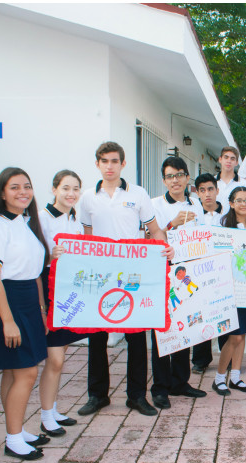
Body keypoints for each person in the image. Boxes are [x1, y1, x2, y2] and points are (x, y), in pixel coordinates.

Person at [77, 141, 172, 417]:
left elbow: (155, 231)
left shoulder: (138, 194)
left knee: (135, 336)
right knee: (97, 336)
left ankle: (137, 396)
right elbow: (86, 237)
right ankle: (97, 395)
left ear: (123, 164)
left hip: (133, 274)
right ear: (97, 164)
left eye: (114, 161)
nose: (109, 166)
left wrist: (165, 248)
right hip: (99, 274)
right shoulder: (87, 198)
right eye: (104, 161)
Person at [0, 167, 51, 460]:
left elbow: (34, 273)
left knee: (15, 370)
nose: (22, 192)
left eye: (27, 186)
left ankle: (17, 429)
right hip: (5, 302)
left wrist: (41, 310)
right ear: (2, 193)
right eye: (14, 187)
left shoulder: (26, 223)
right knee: (27, 372)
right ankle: (12, 439)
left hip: (28, 302)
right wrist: (8, 321)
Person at [148, 157, 207, 410]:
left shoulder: (196, 204)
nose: (175, 180)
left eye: (180, 175)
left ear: (187, 178)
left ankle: (180, 381)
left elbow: (202, 236)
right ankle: (160, 387)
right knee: (163, 330)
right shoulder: (154, 205)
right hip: (163, 272)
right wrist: (173, 224)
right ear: (164, 179)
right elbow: (150, 235)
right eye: (170, 176)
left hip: (188, 271)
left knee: (185, 327)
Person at [37, 170, 88, 436]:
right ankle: (46, 416)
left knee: (60, 356)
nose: (71, 194)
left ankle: (52, 408)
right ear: (54, 188)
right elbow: (33, 257)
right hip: (49, 290)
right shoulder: (42, 219)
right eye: (66, 188)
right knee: (54, 358)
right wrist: (50, 255)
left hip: (69, 291)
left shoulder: (75, 220)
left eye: (76, 189)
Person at [211, 187, 246, 395]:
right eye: (239, 200)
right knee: (233, 336)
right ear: (231, 203)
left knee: (242, 336)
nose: (244, 204)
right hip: (230, 290)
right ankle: (218, 379)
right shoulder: (223, 226)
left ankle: (235, 377)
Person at [190, 173, 225, 374]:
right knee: (201, 315)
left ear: (217, 190)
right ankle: (201, 360)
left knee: (222, 313)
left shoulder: (228, 214)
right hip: (198, 271)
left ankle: (226, 356)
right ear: (197, 193)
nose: (207, 194)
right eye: (202, 190)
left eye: (210, 189)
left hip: (222, 271)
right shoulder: (192, 215)